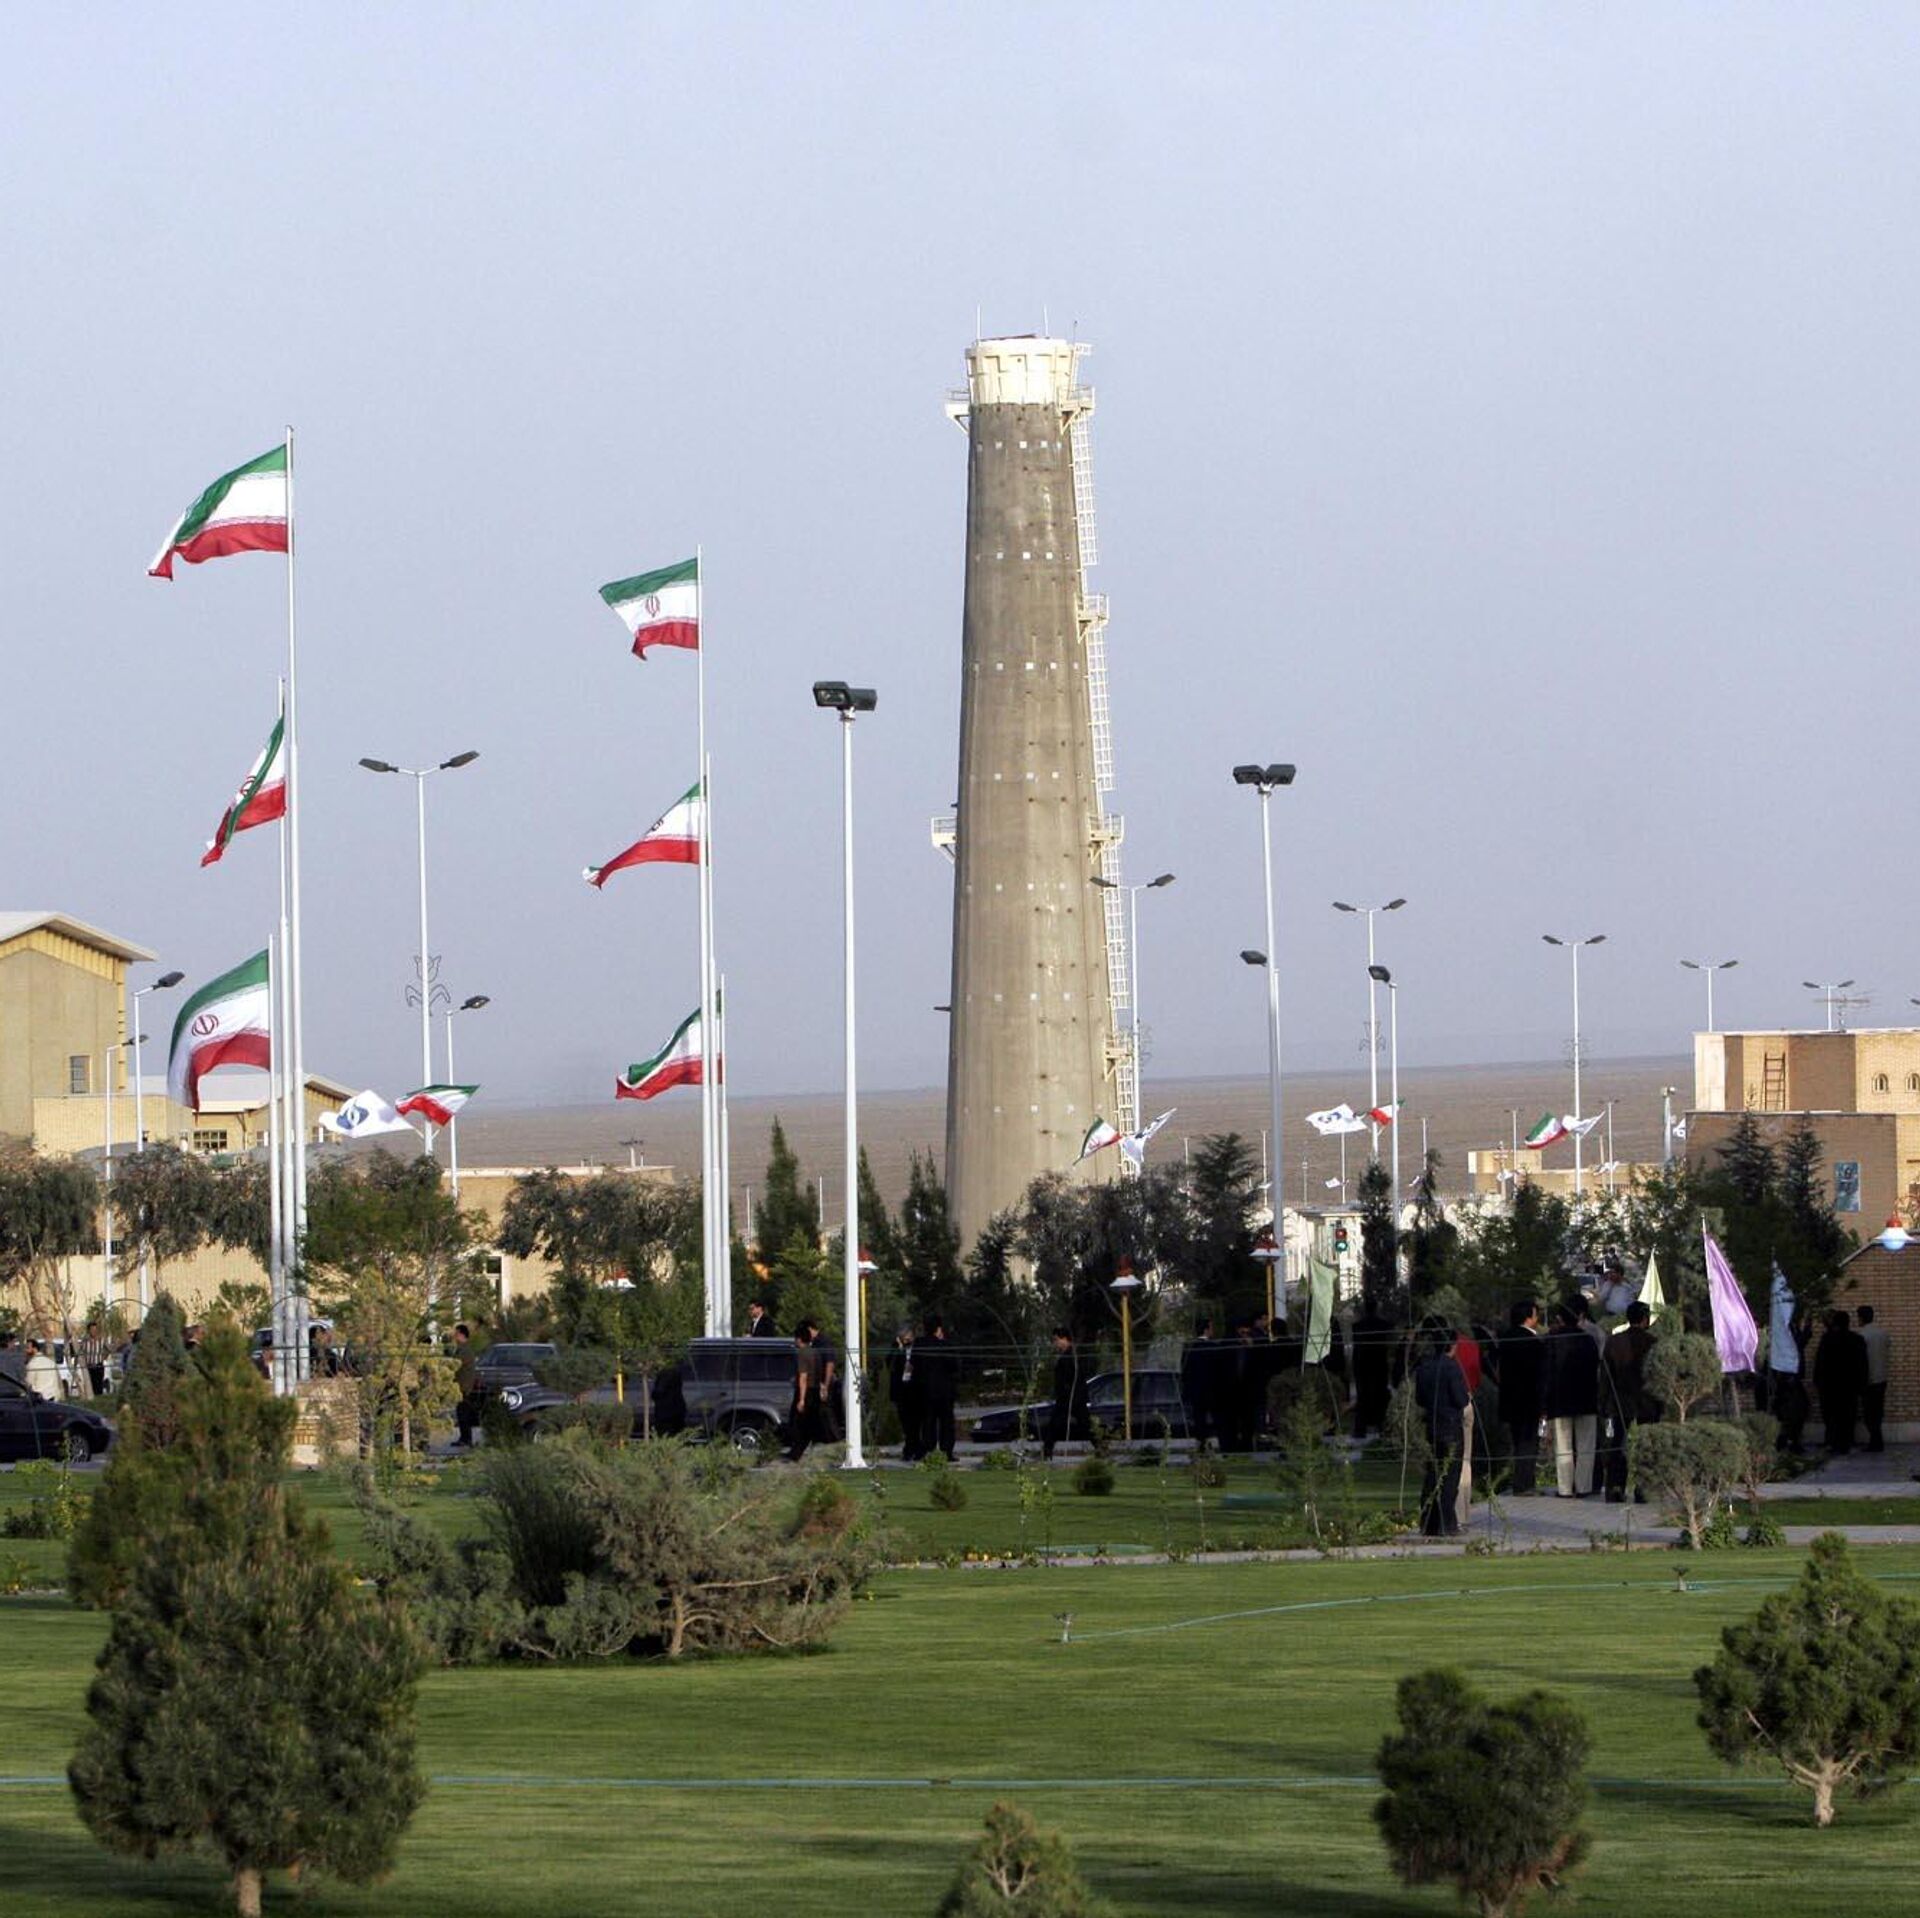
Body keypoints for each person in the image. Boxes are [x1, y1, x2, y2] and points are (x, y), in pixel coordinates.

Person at [1411, 1320, 1470, 1537]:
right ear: (1452, 1345)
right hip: (1451, 1425)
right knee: (1450, 1476)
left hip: (1432, 1424)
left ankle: (1428, 1522)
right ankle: (1447, 1523)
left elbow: (1419, 1399)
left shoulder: (1424, 1367)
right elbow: (1461, 1399)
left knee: (1433, 1474)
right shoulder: (1452, 1368)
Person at [1601, 1302, 1658, 1502]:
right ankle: (1643, 1489)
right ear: (1645, 1319)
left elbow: (1605, 1375)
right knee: (1646, 1445)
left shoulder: (1614, 1342)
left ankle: (1615, 1488)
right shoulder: (1652, 1343)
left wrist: (1604, 1401)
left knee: (1618, 1444)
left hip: (1620, 1400)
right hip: (1646, 1401)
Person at [1545, 1301, 1600, 1497]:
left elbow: (1546, 1373)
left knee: (1563, 1445)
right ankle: (1584, 1487)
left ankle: (1565, 1488)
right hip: (1586, 1398)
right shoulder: (1588, 1340)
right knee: (1586, 1446)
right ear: (1579, 1317)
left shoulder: (1552, 1340)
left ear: (1559, 1318)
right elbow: (1596, 1368)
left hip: (1559, 1400)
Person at [1496, 1300, 1544, 1495]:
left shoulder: (1505, 1339)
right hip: (1530, 1400)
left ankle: (1518, 1481)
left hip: (1509, 1398)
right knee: (1528, 1443)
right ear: (1528, 1317)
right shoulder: (1534, 1342)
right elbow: (1540, 1374)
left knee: (1517, 1442)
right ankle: (1525, 1483)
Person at [1813, 1309, 1868, 1455]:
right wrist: (1862, 1385)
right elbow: (1863, 1364)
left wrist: (1818, 1382)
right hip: (1850, 1386)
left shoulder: (1827, 1339)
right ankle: (1846, 1443)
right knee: (1848, 1415)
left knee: (1831, 1415)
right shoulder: (1857, 1340)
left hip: (1830, 1386)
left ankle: (1833, 1442)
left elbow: (1820, 1363)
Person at [1350, 1301, 1393, 1440]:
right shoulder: (1382, 1324)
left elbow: (1356, 1348)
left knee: (1363, 1396)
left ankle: (1361, 1428)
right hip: (1378, 1365)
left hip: (1363, 1366)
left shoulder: (1358, 1326)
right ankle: (1380, 1426)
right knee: (1379, 1395)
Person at [921, 1317, 959, 1460]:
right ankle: (946, 1451)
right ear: (938, 1329)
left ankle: (928, 1450)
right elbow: (954, 1366)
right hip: (944, 1391)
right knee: (946, 1423)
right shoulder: (946, 1345)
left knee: (928, 1422)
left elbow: (914, 1365)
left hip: (926, 1390)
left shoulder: (920, 1344)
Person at [1043, 1329, 1084, 1461]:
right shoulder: (1067, 1355)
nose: (1055, 1343)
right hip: (1065, 1398)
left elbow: (1073, 1377)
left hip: (1072, 1397)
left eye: (1056, 1340)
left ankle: (1100, 1447)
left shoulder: (1072, 1355)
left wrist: (1068, 1392)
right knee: (1054, 1425)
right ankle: (1047, 1451)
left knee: (1085, 1424)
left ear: (1065, 1339)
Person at [786, 1322, 824, 1461]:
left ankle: (796, 1453)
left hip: (806, 1391)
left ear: (799, 1339)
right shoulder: (816, 1352)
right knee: (809, 1423)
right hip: (815, 1390)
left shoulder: (802, 1353)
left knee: (797, 1423)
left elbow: (803, 1377)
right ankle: (799, 1451)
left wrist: (801, 1399)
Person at [888, 1325, 925, 1461]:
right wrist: (898, 1348)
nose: (905, 1341)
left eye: (907, 1338)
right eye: (903, 1338)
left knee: (916, 1423)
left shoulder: (918, 1349)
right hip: (902, 1390)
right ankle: (910, 1449)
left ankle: (916, 1449)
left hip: (915, 1389)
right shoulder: (897, 1350)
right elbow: (890, 1365)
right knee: (906, 1422)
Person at [1181, 1319, 1218, 1452]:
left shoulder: (1189, 1347)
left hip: (1195, 1389)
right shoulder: (1213, 1347)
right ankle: (1211, 1440)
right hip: (1211, 1388)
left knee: (1199, 1416)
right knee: (1214, 1415)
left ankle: (1201, 1440)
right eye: (1211, 1328)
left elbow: (1184, 1369)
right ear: (1206, 1330)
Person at [1858, 1305, 1891, 1454]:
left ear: (1861, 1318)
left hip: (1869, 1379)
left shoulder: (1862, 1335)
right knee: (1877, 1412)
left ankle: (1875, 1442)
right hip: (1882, 1378)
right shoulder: (1883, 1333)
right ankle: (1877, 1441)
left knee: (1869, 1413)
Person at [451, 1323, 480, 1447]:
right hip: (464, 1386)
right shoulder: (464, 1349)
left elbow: (455, 1364)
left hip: (464, 1387)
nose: (454, 1336)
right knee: (462, 1413)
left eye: (456, 1334)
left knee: (463, 1414)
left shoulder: (464, 1350)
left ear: (462, 1335)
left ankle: (466, 1439)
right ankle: (465, 1438)